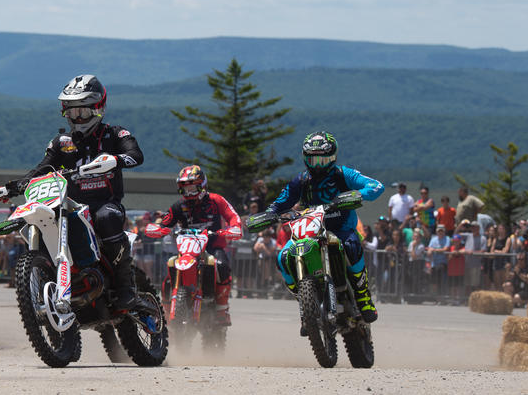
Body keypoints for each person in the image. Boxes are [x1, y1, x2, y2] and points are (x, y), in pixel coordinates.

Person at [3, 74, 146, 310]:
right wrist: (12, 187)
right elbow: (41, 168)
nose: (77, 118)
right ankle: (49, 280)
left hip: (104, 203)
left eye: (83, 112)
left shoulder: (114, 134)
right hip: (69, 204)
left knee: (107, 218)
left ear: (98, 108)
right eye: (71, 112)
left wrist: (115, 160)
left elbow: (136, 156)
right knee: (44, 222)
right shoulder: (62, 142)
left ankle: (126, 287)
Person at [264, 131, 385, 322]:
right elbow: (281, 201)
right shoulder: (301, 180)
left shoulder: (343, 174)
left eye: (323, 160)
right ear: (305, 159)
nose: (318, 165)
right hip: (309, 230)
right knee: (282, 257)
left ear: (333, 157)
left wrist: (359, 194)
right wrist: (268, 214)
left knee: (351, 245)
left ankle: (363, 296)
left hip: (341, 227)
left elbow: (376, 185)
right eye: (313, 160)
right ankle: (304, 301)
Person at [155, 165, 241, 321]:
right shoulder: (178, 206)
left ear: (202, 185)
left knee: (221, 265)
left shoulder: (216, 200)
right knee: (168, 273)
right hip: (187, 250)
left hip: (212, 246)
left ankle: (222, 309)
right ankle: (165, 314)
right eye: (185, 188)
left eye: (193, 188)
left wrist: (235, 227)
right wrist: (157, 228)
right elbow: (165, 222)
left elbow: (232, 215)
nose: (189, 192)